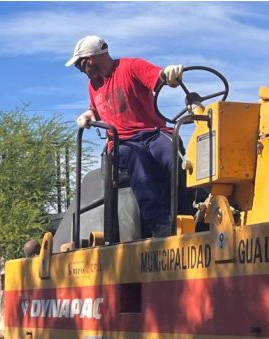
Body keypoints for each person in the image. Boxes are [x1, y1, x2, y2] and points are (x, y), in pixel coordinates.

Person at [67, 35, 184, 238]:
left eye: (80, 65)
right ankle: (161, 227)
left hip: (152, 134)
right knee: (137, 158)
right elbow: (95, 109)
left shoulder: (131, 67)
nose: (82, 71)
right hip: (121, 142)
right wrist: (89, 115)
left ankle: (185, 217)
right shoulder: (93, 85)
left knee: (172, 154)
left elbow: (160, 77)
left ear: (90, 60)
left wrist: (170, 75)